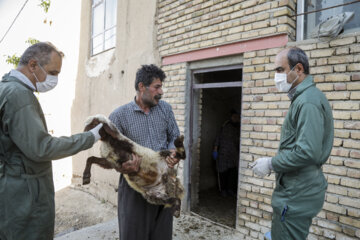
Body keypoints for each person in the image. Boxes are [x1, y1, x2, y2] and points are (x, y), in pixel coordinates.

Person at [0, 42, 103, 240]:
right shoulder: (19, 96)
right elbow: (42, 148)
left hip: (12, 187)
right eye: (53, 72)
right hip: (26, 195)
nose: (54, 79)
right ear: (33, 65)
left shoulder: (6, 88)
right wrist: (90, 137)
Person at [250, 47, 334, 239]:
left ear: (298, 69)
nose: (276, 76)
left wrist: (270, 163)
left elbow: (307, 152)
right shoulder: (302, 99)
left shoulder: (307, 102)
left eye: (280, 70)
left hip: (296, 195)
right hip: (296, 189)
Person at [109, 64, 181, 240]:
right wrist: (124, 164)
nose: (161, 91)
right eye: (157, 87)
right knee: (134, 234)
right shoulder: (119, 116)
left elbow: (175, 136)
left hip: (164, 183)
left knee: (162, 234)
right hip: (135, 187)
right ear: (142, 87)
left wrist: (174, 151)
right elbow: (111, 150)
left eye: (161, 86)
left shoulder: (165, 109)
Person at [212, 109, 240, 197]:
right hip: (223, 154)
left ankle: (230, 190)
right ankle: (223, 190)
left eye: (237, 117)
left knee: (232, 173)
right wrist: (215, 150)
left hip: (234, 155)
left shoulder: (239, 127)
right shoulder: (225, 126)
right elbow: (218, 138)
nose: (236, 118)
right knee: (223, 172)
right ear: (231, 117)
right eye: (234, 117)